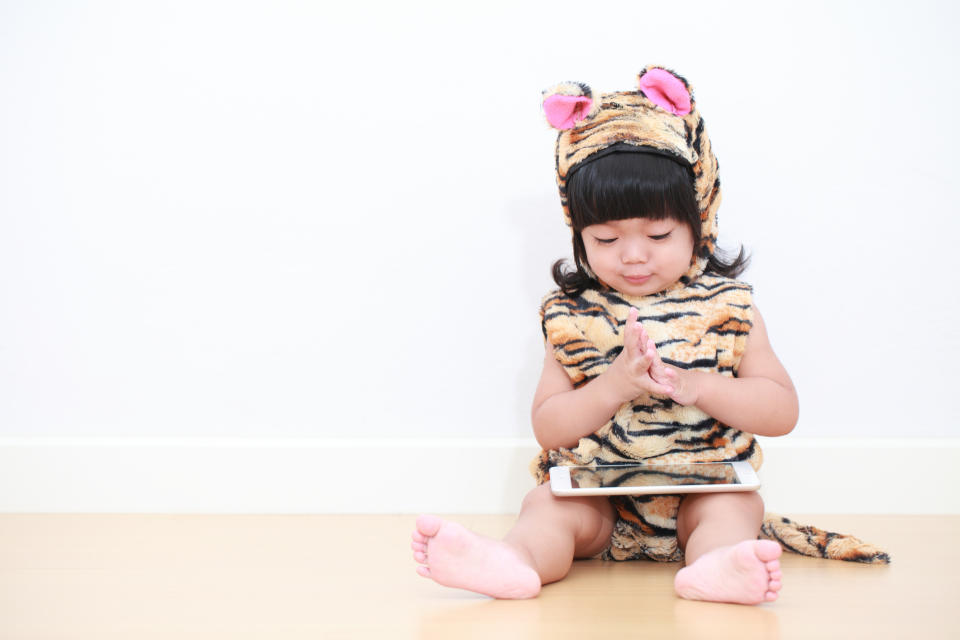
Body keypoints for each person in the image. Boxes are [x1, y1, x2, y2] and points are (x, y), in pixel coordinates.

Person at [411, 66, 884, 604]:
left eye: (658, 234)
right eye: (607, 238)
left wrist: (697, 386)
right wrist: (613, 384)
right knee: (547, 507)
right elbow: (549, 426)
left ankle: (715, 567)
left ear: (698, 223)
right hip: (600, 502)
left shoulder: (729, 308)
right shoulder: (570, 316)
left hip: (701, 491)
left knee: (733, 510)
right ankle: (514, 561)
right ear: (579, 234)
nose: (633, 255)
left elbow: (781, 411)